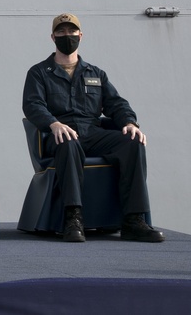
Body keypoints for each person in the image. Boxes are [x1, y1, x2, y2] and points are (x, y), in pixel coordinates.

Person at [23, 13, 164, 243]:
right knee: (67, 141)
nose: (67, 36)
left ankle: (133, 220)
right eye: (61, 32)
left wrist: (130, 123)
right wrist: (54, 123)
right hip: (59, 135)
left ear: (81, 35)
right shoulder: (39, 73)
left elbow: (116, 104)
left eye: (71, 32)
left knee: (133, 142)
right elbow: (33, 105)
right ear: (52, 37)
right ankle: (73, 218)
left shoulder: (95, 73)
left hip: (92, 132)